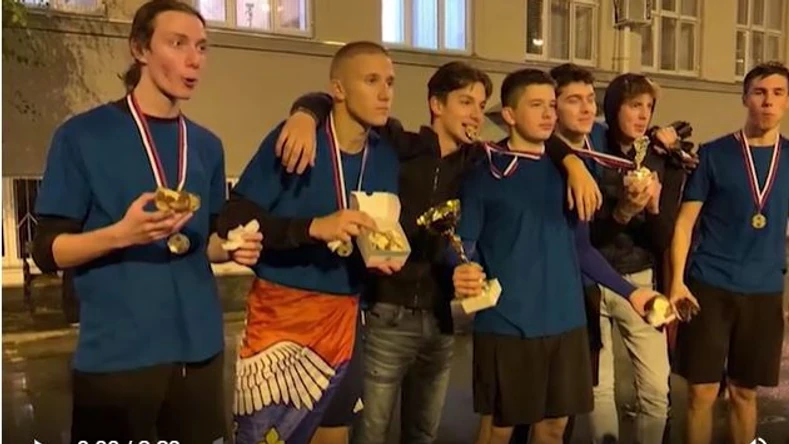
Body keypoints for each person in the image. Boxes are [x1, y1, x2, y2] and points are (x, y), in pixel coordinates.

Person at [271, 61, 602, 444]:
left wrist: (572, 162)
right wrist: (304, 114)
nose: (476, 115)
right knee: (371, 432)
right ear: (436, 104)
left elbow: (538, 143)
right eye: (465, 102)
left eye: (481, 105)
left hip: (441, 319)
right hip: (388, 315)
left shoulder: (480, 162)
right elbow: (342, 106)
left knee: (424, 433)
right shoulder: (400, 146)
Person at [31, 1, 262, 442]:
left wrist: (231, 247)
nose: (194, 59)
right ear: (140, 49)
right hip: (118, 356)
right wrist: (121, 234)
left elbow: (206, 242)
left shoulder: (206, 145)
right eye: (177, 44)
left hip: (199, 349)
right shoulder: (82, 136)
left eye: (202, 47)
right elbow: (47, 250)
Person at [452, 68, 656, 444]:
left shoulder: (570, 172)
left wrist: (632, 293)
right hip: (508, 325)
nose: (548, 114)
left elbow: (582, 249)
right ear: (509, 114)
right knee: (499, 429)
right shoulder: (486, 173)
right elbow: (462, 243)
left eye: (550, 104)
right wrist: (461, 268)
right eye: (536, 105)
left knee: (554, 428)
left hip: (567, 322)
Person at [216, 41, 401, 444]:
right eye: (371, 81)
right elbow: (232, 218)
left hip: (344, 317)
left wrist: (382, 254)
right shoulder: (296, 140)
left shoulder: (385, 154)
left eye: (390, 82)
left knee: (334, 435)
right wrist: (312, 228)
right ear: (338, 89)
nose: (385, 93)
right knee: (267, 438)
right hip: (281, 318)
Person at [668, 62, 789, 444]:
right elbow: (684, 223)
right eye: (760, 92)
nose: (768, 101)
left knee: (744, 393)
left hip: (763, 290)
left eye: (777, 93)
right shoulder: (714, 153)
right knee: (700, 393)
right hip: (709, 286)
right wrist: (677, 281)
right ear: (745, 97)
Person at [586, 71, 691, 444]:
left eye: (649, 106)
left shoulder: (661, 159)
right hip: (593, 280)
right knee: (599, 388)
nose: (643, 115)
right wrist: (623, 211)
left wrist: (654, 208)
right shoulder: (592, 152)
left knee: (656, 388)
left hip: (641, 280)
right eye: (634, 105)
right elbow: (588, 237)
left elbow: (663, 238)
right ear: (614, 108)